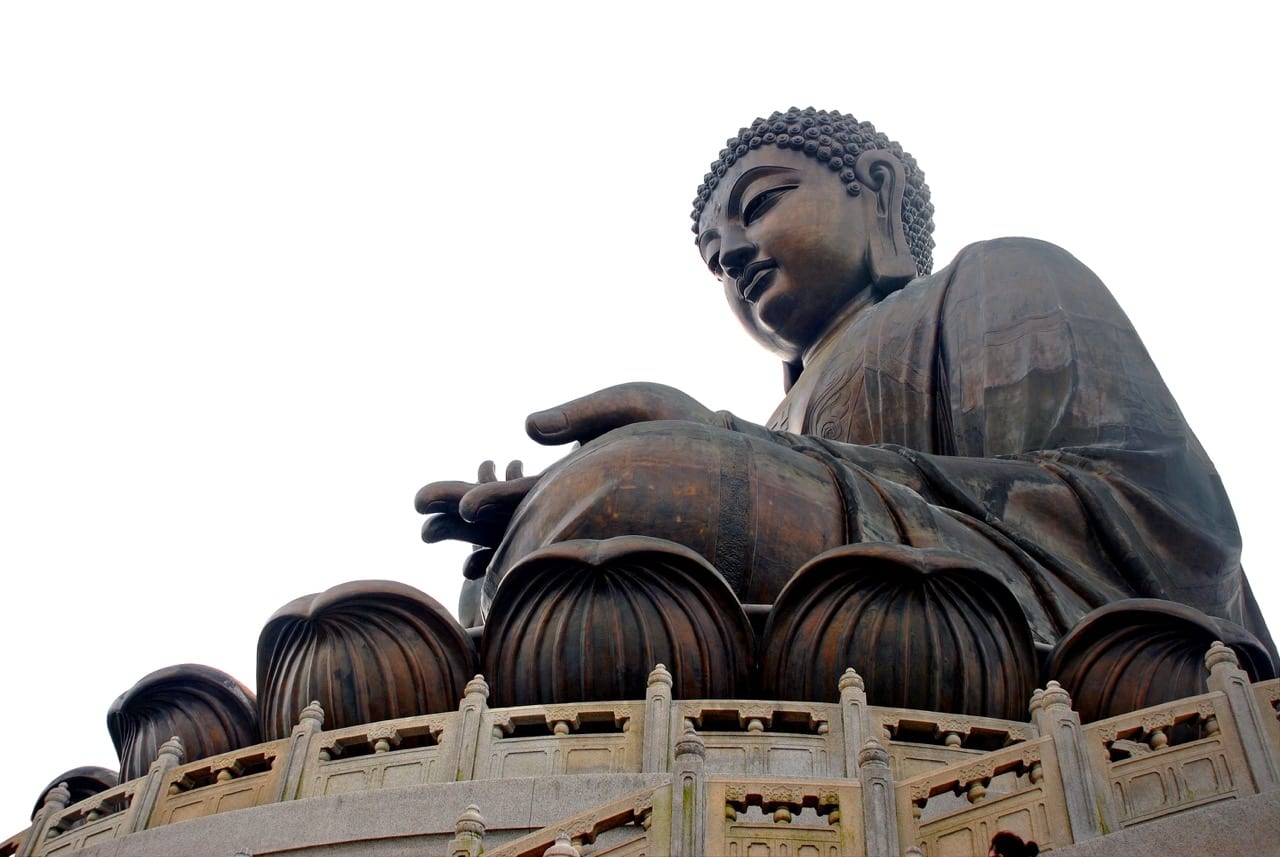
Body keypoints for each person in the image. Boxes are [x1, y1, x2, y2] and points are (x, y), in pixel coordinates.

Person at [417, 108, 1275, 712]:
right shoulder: (779, 416)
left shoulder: (997, 278)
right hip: (814, 647)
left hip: (1011, 641)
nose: (738, 258)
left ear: (874, 187)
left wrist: (710, 459)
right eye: (716, 259)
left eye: (760, 206)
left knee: (642, 478)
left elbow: (1165, 530)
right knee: (508, 590)